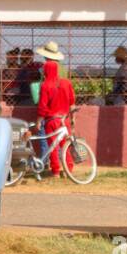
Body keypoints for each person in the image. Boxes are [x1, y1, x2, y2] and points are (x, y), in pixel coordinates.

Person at [36, 44, 75, 175]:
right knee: (66, 145)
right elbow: (71, 102)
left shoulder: (45, 84)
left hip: (51, 119)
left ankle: (56, 171)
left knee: (52, 146)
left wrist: (39, 120)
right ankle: (69, 169)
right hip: (64, 119)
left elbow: (42, 106)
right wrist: (73, 118)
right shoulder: (66, 81)